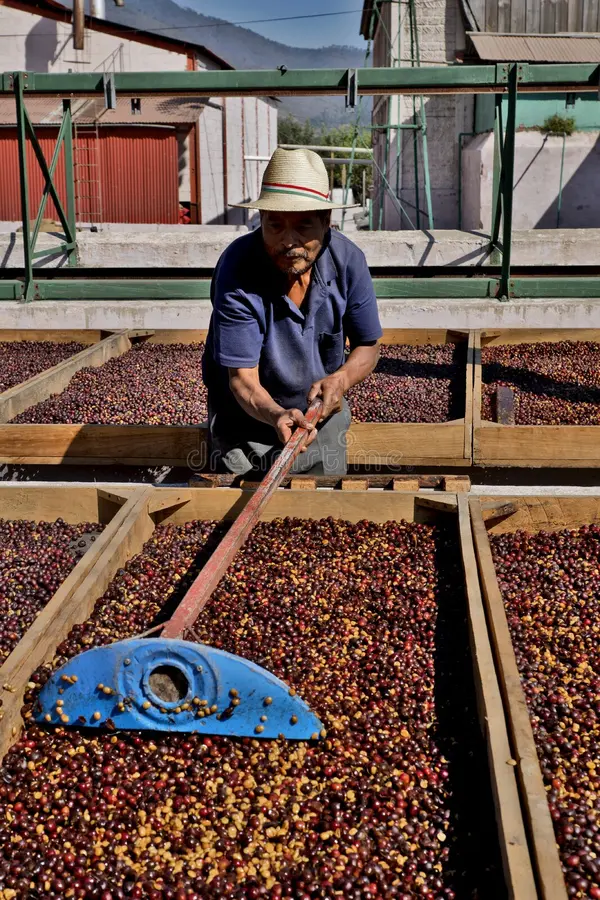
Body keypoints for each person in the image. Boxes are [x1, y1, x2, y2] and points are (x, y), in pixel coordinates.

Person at [202, 147, 382, 475]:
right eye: (276, 226)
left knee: (321, 507)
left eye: (303, 226)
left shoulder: (347, 262)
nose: (289, 240)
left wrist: (341, 379)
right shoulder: (238, 269)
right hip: (246, 416)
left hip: (319, 414)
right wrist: (275, 414)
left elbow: (367, 346)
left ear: (326, 222)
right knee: (238, 502)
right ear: (261, 222)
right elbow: (242, 380)